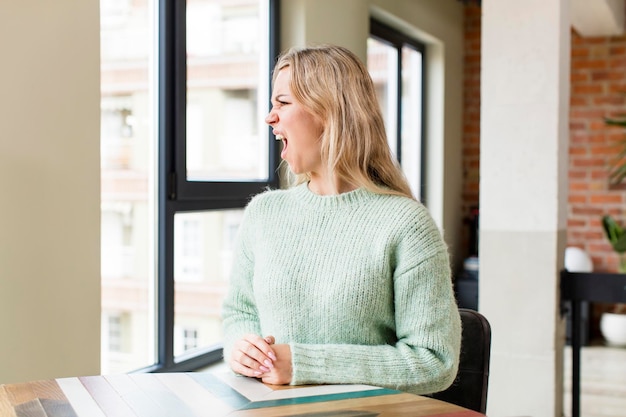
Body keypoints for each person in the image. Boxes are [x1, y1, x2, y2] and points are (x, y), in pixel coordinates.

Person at [221, 44, 461, 395]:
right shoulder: (263, 214)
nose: (270, 117)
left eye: (282, 103)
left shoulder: (406, 224)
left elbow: (434, 361)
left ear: (329, 111)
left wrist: (305, 364)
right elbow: (239, 313)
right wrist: (242, 348)